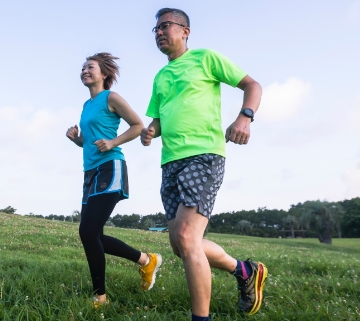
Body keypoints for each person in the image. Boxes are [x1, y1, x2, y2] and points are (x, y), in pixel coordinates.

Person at [140, 8, 267, 321]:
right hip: (170, 162)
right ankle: (245, 270)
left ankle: (201, 318)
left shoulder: (205, 58)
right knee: (181, 245)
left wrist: (245, 118)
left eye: (165, 26)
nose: (158, 32)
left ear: (185, 31)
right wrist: (150, 130)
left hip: (205, 155)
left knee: (187, 238)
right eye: (155, 29)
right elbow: (158, 118)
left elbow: (253, 85)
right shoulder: (160, 77)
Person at [66, 52, 162, 308]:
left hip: (111, 168)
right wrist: (77, 139)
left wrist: (113, 142)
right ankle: (146, 260)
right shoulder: (87, 106)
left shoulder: (112, 97)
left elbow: (137, 125)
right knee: (92, 234)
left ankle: (100, 297)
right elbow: (91, 142)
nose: (85, 71)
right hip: (91, 173)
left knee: (87, 231)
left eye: (90, 67)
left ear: (104, 73)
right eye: (83, 68)